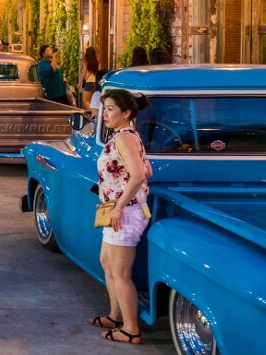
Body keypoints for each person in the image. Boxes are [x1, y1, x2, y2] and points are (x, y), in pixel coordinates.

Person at [91, 88, 153, 344]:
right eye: (104, 108)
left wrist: (119, 206)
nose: (105, 114)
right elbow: (147, 169)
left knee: (120, 272)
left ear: (126, 113)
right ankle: (115, 315)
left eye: (111, 109)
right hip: (117, 209)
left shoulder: (124, 138)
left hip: (124, 213)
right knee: (107, 262)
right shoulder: (126, 135)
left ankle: (131, 329)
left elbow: (139, 175)